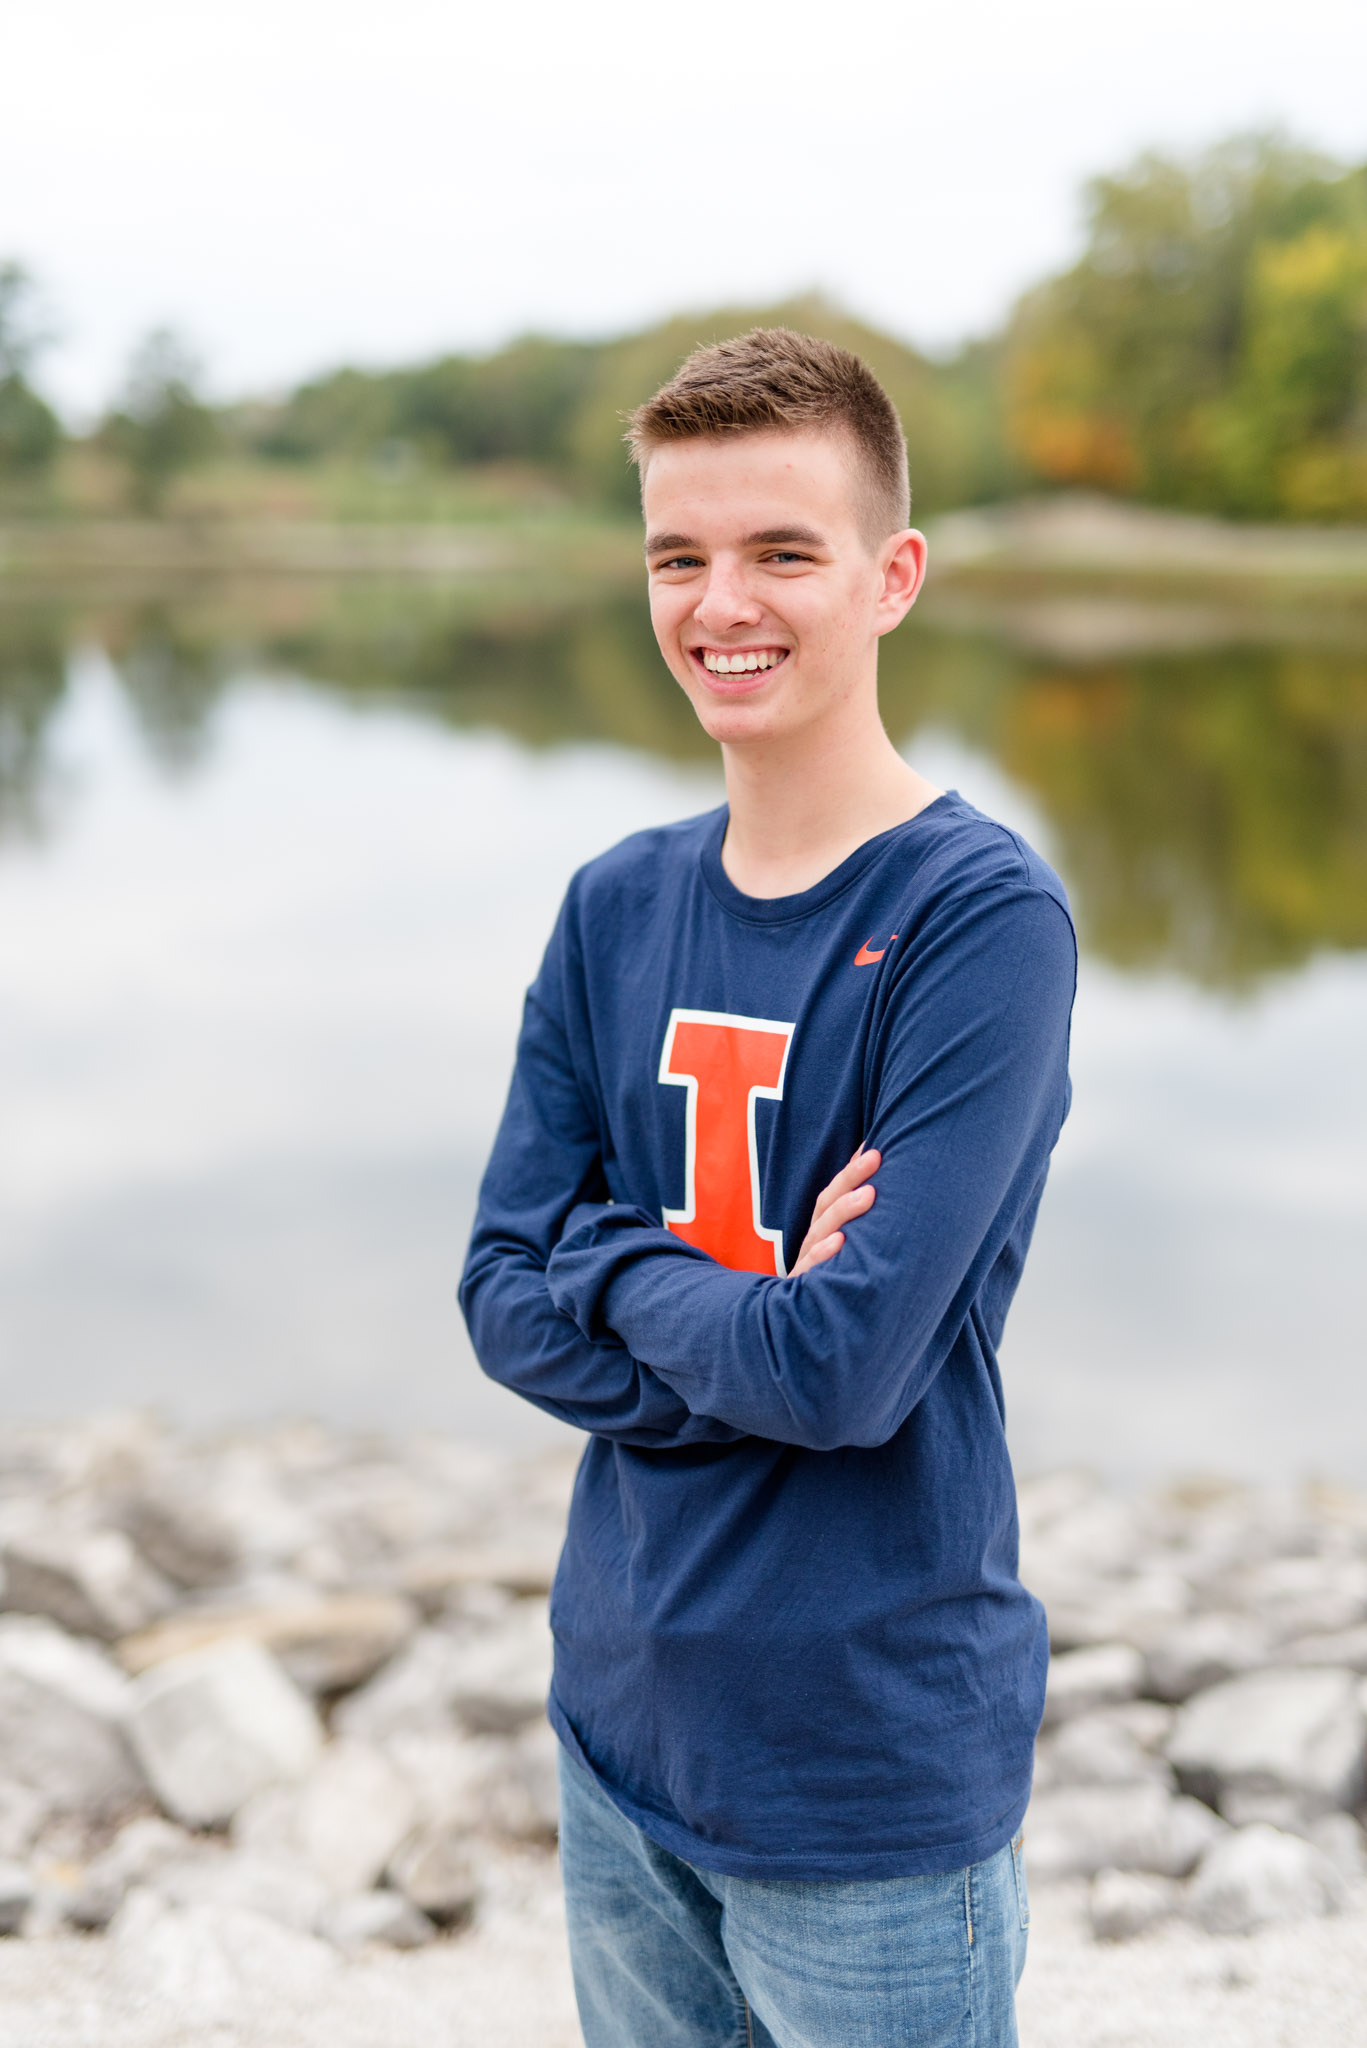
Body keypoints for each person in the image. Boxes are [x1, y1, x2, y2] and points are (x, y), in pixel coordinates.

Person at [460, 328, 1076, 2048]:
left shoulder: (979, 920)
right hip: (620, 1719)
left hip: (865, 1764)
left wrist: (616, 1267)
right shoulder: (615, 904)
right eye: (680, 555)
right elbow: (499, 1293)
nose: (719, 601)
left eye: (781, 552)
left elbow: (847, 1371)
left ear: (894, 577)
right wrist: (726, 1295)